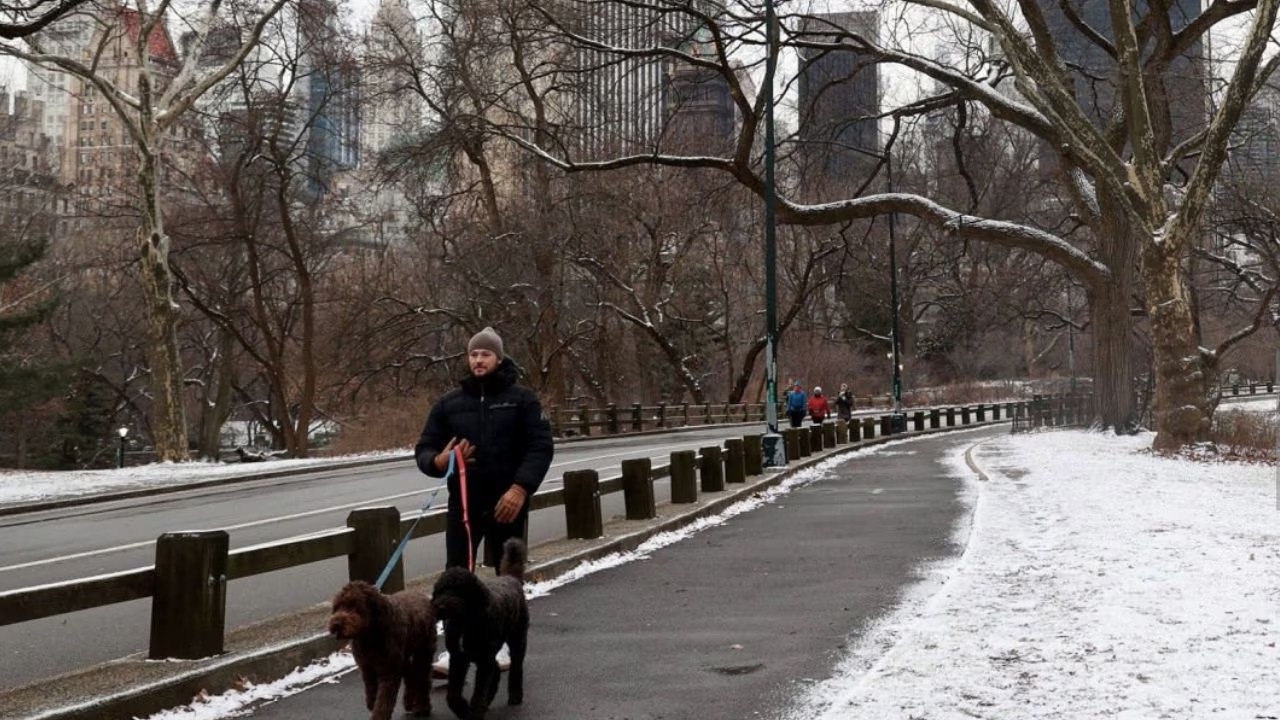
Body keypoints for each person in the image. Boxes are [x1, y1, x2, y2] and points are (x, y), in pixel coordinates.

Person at [415, 327, 554, 572]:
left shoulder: (523, 400)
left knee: (509, 579)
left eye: (486, 354)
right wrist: (438, 461)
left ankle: (512, 610)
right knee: (457, 577)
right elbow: (424, 448)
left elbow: (540, 448)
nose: (478, 360)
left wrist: (520, 489)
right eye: (474, 354)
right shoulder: (448, 404)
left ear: (499, 359)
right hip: (464, 505)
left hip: (507, 502)